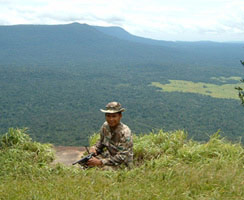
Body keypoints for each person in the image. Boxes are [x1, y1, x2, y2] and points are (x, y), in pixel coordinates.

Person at [87, 102, 133, 169]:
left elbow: (123, 157)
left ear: (120, 116)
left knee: (101, 169)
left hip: (122, 164)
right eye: (108, 116)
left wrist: (100, 162)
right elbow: (101, 141)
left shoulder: (125, 132)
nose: (111, 119)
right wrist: (95, 148)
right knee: (88, 161)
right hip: (110, 158)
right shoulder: (105, 126)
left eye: (114, 116)